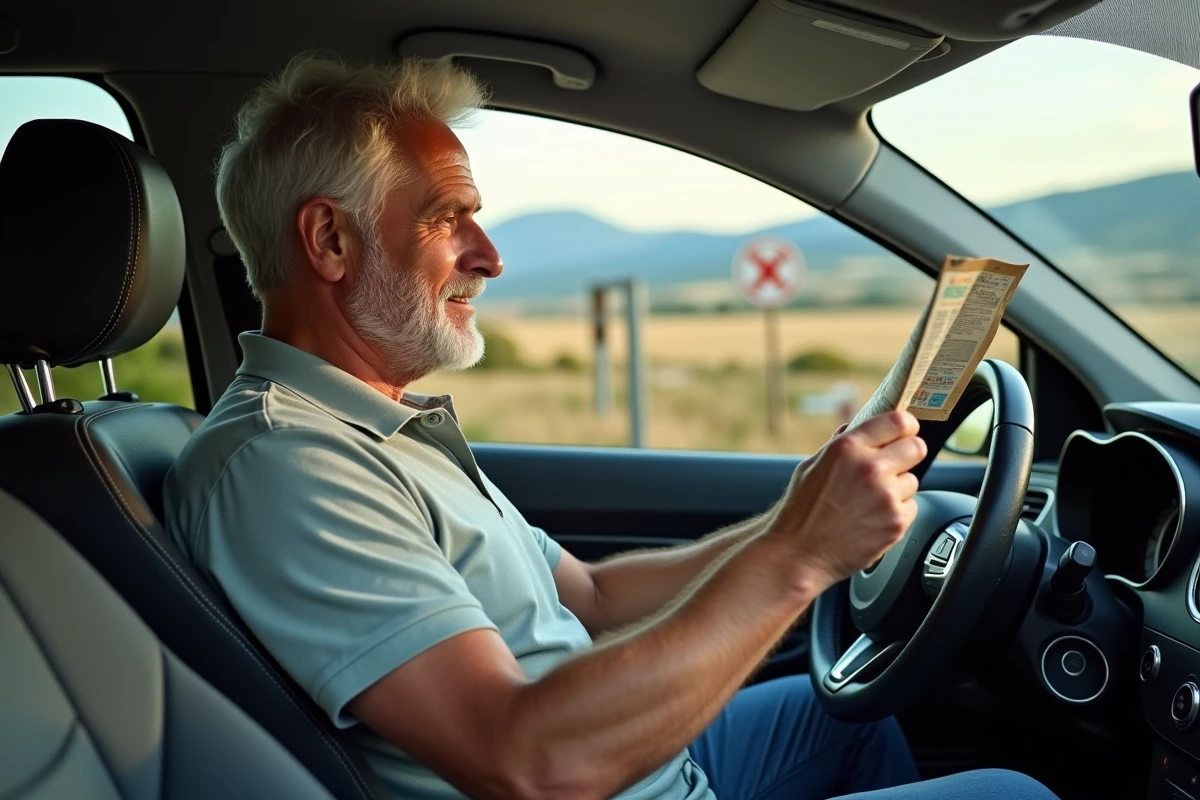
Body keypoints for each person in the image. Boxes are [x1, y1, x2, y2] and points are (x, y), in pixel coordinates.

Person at [164, 55, 1058, 800]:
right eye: (447, 218)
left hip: (639, 764)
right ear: (330, 241)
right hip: (586, 771)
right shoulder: (285, 464)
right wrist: (800, 558)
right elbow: (525, 759)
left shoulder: (377, 428)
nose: (490, 256)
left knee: (841, 713)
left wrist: (795, 518)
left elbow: (588, 600)